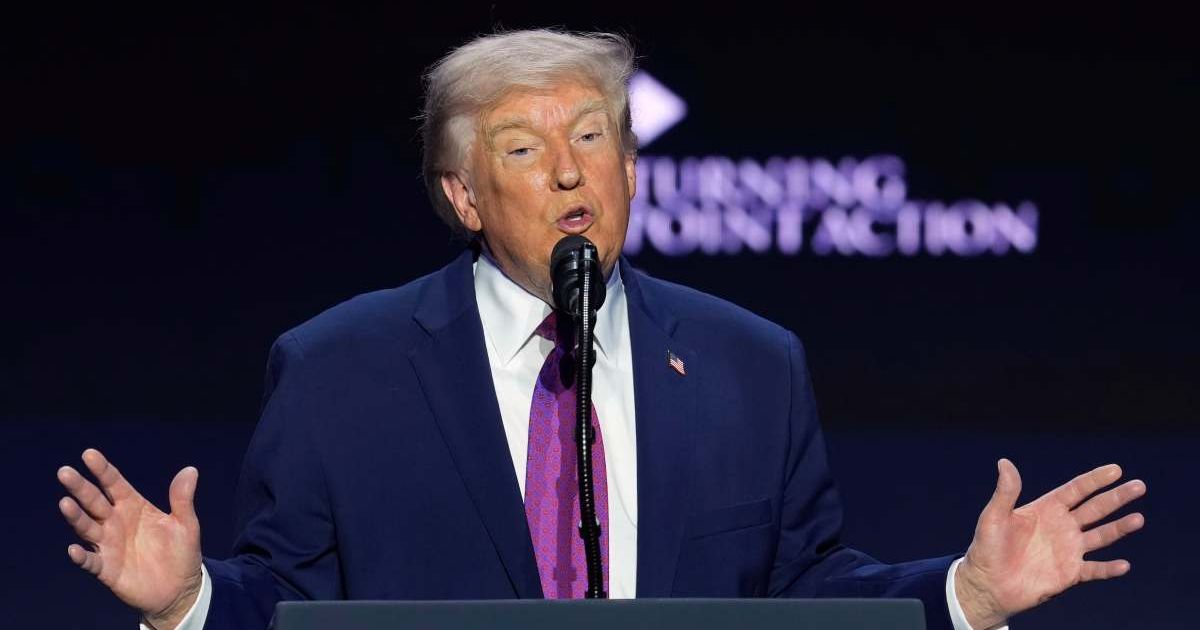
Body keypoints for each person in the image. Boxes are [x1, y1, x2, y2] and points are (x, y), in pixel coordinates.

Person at [55, 29, 1146, 630]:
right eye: (524, 150)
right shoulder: (340, 367)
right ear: (465, 196)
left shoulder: (749, 363)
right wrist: (190, 601)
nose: (571, 171)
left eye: (592, 138)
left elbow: (803, 596)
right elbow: (291, 604)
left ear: (630, 168)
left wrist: (965, 593)